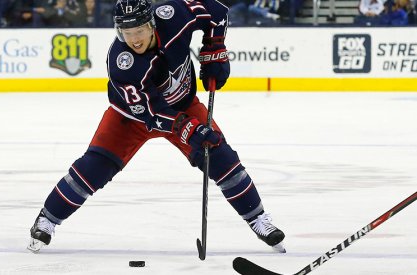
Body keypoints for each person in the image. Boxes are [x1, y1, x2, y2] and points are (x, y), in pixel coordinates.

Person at [27, 0, 286, 254]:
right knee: (95, 167)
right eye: (126, 33)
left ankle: (258, 219)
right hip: (131, 117)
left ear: (152, 23)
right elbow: (152, 115)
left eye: (139, 30)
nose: (134, 39)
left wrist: (214, 48)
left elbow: (217, 13)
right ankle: (47, 220)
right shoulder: (122, 62)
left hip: (184, 105)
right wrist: (189, 130)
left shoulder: (174, 15)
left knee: (220, 156)